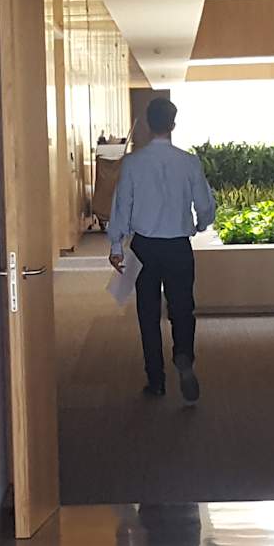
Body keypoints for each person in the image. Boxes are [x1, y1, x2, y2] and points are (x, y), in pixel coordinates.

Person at [103, 96, 215, 403]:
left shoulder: (133, 163)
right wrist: (201, 225)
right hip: (178, 245)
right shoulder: (189, 162)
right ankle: (183, 355)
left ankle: (156, 380)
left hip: (144, 247)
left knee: (148, 314)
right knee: (182, 308)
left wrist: (116, 244)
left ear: (147, 125)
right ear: (173, 125)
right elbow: (204, 204)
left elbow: (122, 205)